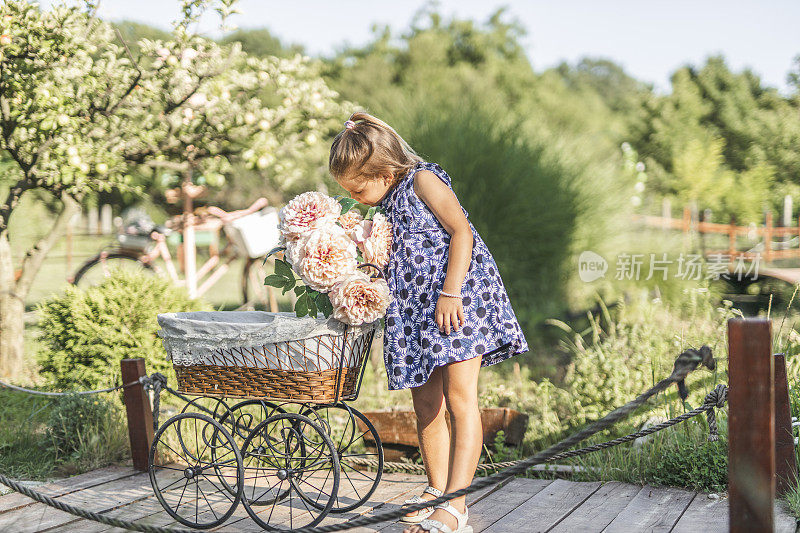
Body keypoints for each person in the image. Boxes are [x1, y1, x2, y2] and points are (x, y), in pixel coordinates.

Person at [329, 112, 529, 533]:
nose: (357, 198)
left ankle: (456, 505)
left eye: (359, 189)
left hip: (455, 302)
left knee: (460, 399)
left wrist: (450, 291)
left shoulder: (423, 181)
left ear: (384, 172)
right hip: (415, 313)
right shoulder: (384, 203)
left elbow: (462, 232)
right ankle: (436, 488)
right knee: (425, 404)